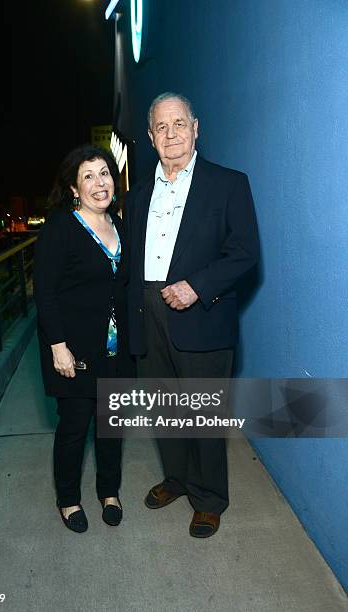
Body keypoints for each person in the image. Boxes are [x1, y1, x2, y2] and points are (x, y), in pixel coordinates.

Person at [124, 92, 260, 538]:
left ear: (196, 128)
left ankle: (208, 498)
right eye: (161, 127)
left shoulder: (228, 184)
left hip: (201, 313)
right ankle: (178, 480)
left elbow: (245, 254)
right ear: (150, 137)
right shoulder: (139, 194)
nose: (171, 134)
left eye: (179, 124)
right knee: (166, 412)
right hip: (149, 315)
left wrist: (196, 286)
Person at [34, 145, 133, 533]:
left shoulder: (120, 226)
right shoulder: (61, 227)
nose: (98, 182)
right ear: (75, 187)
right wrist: (58, 346)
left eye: (104, 173)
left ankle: (109, 492)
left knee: (111, 426)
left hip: (115, 351)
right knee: (75, 427)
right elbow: (45, 292)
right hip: (73, 350)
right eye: (88, 176)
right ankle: (68, 499)